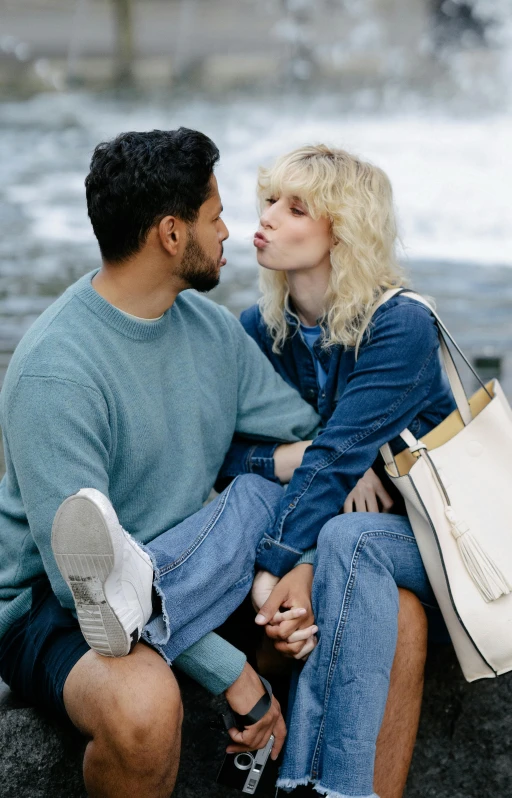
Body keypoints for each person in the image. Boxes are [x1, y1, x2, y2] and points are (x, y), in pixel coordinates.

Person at [0, 129, 427, 798]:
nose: (234, 229)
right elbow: (70, 585)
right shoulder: (59, 369)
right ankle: (151, 598)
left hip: (191, 572)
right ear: (172, 234)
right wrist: (236, 672)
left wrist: (296, 553)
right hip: (56, 607)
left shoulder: (209, 329)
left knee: (393, 612)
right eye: (215, 215)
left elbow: (309, 446)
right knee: (143, 706)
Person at [224, 144, 456, 797]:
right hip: (340, 554)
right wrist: (288, 457)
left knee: (349, 540)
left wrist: (274, 572)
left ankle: (324, 789)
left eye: (296, 208)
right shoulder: (259, 330)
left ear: (342, 232)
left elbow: (335, 457)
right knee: (341, 544)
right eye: (269, 199)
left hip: (436, 542)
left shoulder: (400, 325)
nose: (268, 217)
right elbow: (228, 455)